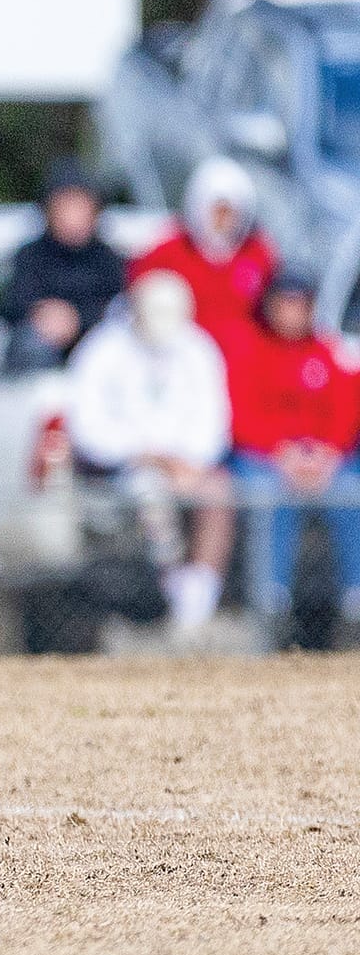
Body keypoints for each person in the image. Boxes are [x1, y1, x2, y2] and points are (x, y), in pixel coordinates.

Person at [67, 270, 235, 631]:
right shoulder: (103, 349)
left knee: (218, 493)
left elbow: (213, 419)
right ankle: (167, 591)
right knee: (149, 492)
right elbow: (87, 426)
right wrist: (143, 454)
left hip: (189, 467)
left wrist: (188, 461)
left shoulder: (198, 348)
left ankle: (197, 602)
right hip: (124, 470)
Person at [217, 268, 360, 629]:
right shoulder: (248, 347)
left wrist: (329, 452)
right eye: (285, 304)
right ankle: (271, 601)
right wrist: (283, 453)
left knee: (350, 493)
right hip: (267, 459)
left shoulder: (330, 351)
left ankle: (354, 600)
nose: (292, 313)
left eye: (299, 305)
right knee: (268, 495)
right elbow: (239, 417)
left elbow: (347, 410)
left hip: (326, 459)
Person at [128, 155, 276, 340]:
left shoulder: (258, 253)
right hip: (183, 355)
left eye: (231, 212)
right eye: (218, 211)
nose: (225, 221)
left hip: (243, 359)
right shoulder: (168, 250)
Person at [0, 160, 125, 370]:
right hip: (42, 354)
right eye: (65, 206)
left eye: (80, 205)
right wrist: (41, 314)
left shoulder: (109, 259)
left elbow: (119, 308)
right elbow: (12, 304)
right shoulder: (31, 255)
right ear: (49, 211)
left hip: (96, 354)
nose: (73, 215)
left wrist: (76, 319)